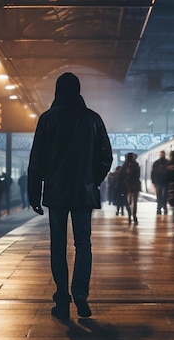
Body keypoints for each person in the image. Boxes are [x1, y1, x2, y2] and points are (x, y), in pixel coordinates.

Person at [28, 72, 113, 320]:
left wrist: (35, 193)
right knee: (83, 243)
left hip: (55, 192)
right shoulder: (93, 119)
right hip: (82, 193)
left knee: (58, 246)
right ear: (78, 91)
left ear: (57, 91)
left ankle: (62, 300)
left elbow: (37, 159)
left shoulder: (47, 119)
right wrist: (91, 180)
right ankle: (81, 293)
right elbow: (105, 157)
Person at [118, 152, 141, 224]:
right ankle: (131, 216)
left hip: (131, 187)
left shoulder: (125, 165)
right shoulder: (133, 165)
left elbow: (120, 175)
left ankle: (133, 216)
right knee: (132, 202)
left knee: (131, 202)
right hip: (129, 187)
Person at [151, 150, 169, 215]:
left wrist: (153, 181)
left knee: (160, 196)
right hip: (163, 182)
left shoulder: (156, 163)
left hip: (160, 182)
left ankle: (160, 208)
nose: (162, 156)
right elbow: (153, 173)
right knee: (163, 196)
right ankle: (163, 208)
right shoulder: (168, 162)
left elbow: (152, 173)